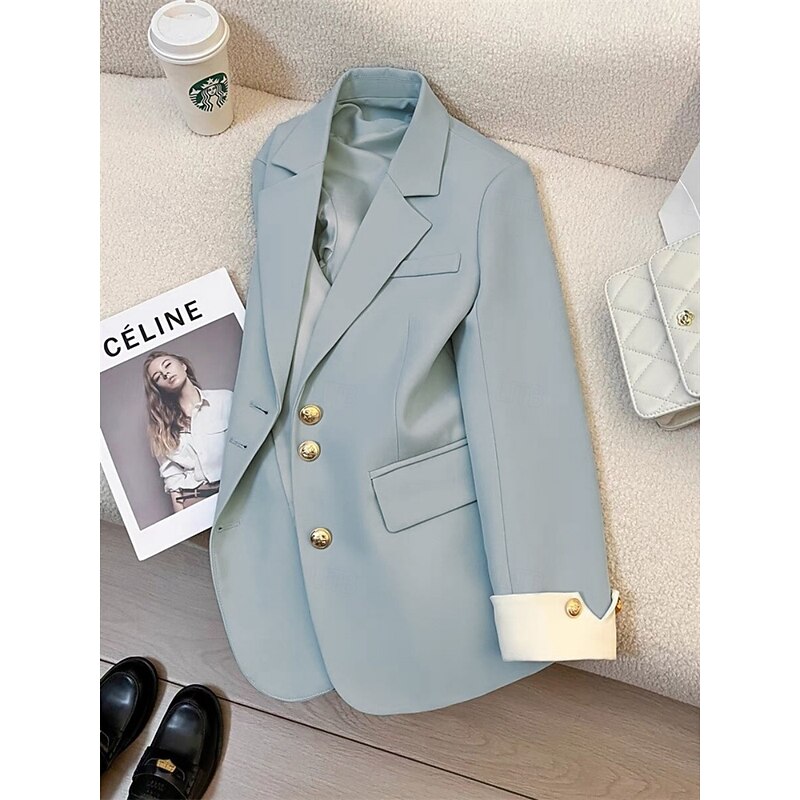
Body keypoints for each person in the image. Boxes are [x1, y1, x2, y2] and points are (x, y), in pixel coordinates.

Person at [143, 351, 232, 513]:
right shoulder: (161, 426)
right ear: (158, 388)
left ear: (183, 365)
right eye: (158, 377)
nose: (165, 374)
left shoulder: (224, 400)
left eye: (167, 365)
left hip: (235, 490)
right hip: (195, 499)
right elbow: (172, 477)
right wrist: (181, 520)